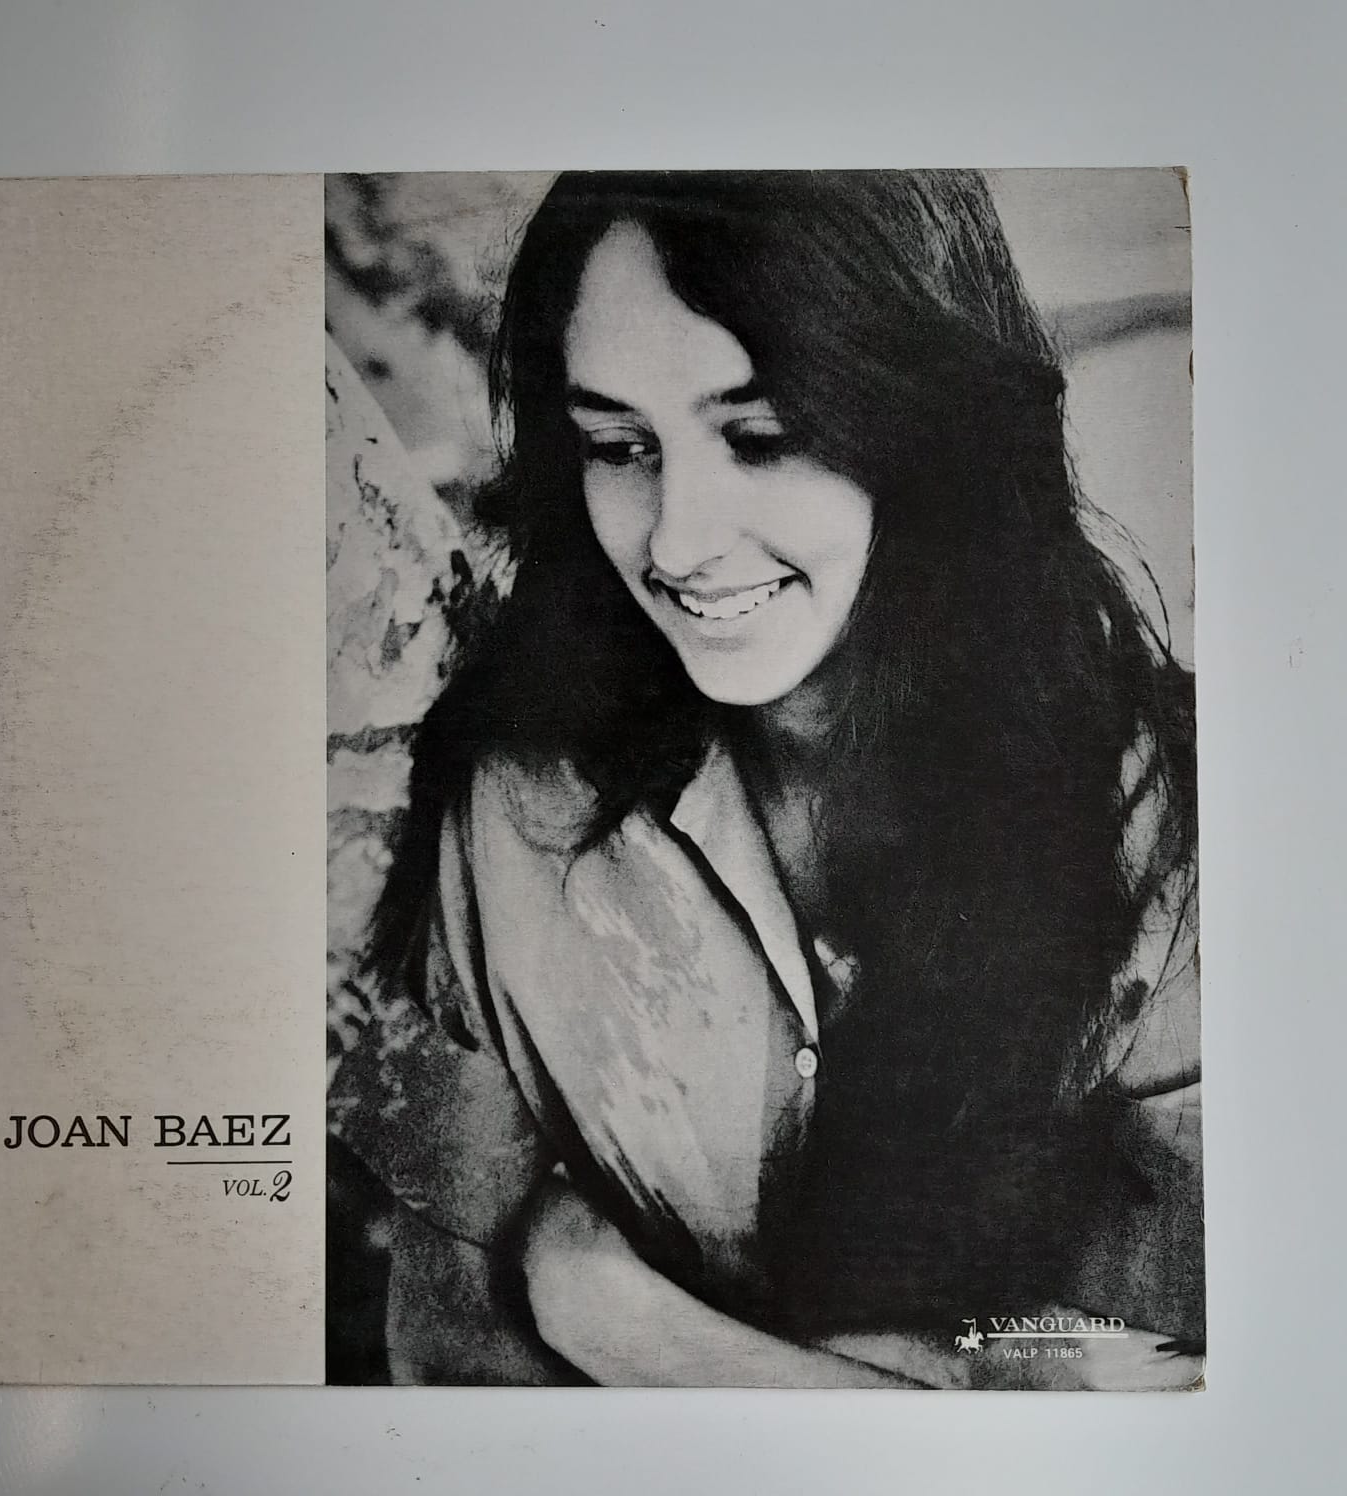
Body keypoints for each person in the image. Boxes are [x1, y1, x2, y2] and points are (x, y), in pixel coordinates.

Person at [330, 170, 1201, 1388]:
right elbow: (458, 1372)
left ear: (929, 427)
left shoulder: (1157, 809)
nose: (677, 540)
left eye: (761, 436)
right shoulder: (514, 801)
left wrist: (613, 1311)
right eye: (618, 446)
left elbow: (1165, 1379)